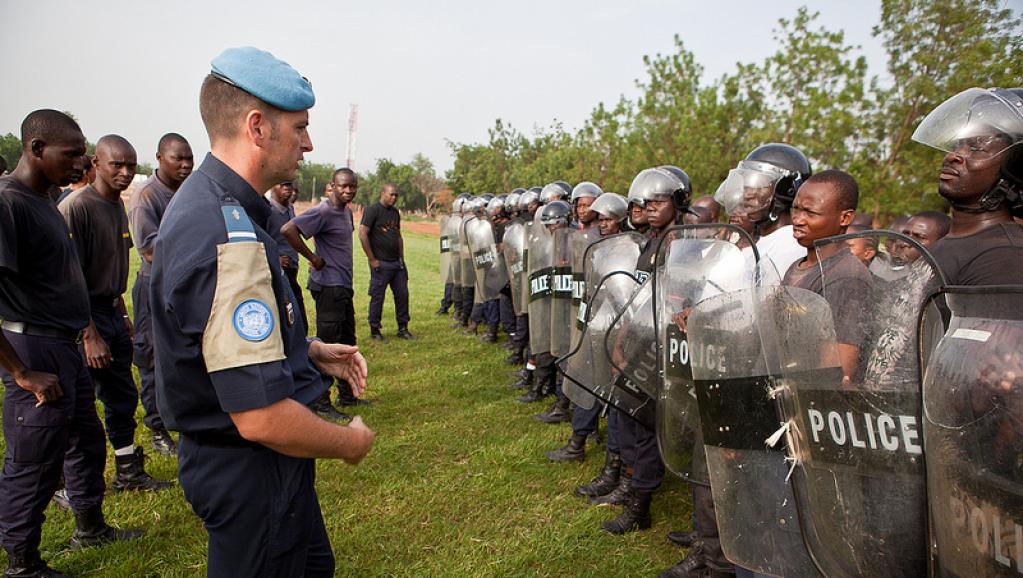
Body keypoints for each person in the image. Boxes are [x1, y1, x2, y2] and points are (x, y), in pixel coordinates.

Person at [150, 47, 375, 578]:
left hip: (258, 469)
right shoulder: (227, 234)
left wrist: (309, 351)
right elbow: (261, 416)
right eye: (299, 127)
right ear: (257, 126)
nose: (308, 143)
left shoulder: (222, 208)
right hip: (251, 470)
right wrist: (350, 442)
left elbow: (218, 340)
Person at [1, 109, 141, 578]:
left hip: (66, 345)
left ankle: (90, 525)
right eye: (72, 152)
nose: (81, 161)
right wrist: (21, 372)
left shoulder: (48, 199)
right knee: (34, 459)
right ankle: (22, 563)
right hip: (33, 348)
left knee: (86, 438)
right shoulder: (9, 203)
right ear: (36, 149)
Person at [58, 134, 172, 493]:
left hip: (110, 311)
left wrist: (122, 318)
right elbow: (68, 278)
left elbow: (112, 272)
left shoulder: (115, 205)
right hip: (82, 317)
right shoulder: (77, 206)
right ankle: (61, 481)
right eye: (116, 165)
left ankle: (127, 471)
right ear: (96, 163)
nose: (124, 172)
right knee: (78, 402)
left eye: (130, 166)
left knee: (122, 395)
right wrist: (89, 333)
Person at [911, 87, 1023, 285]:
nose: (952, 156)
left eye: (976, 149)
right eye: (956, 145)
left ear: (1013, 168)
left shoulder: (1004, 257)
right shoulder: (949, 243)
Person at [127, 132, 194, 456]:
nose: (184, 164)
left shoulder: (188, 193)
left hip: (185, 287)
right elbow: (152, 249)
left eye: (188, 158)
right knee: (152, 357)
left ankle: (180, 418)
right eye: (177, 158)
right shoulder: (147, 196)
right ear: (159, 158)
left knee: (183, 353)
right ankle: (157, 428)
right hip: (155, 288)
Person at [282, 168, 365, 416]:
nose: (348, 191)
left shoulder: (346, 212)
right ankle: (320, 401)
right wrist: (313, 257)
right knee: (328, 346)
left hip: (343, 286)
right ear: (332, 186)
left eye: (352, 186)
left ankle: (347, 395)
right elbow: (288, 230)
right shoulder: (323, 211)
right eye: (343, 186)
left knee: (347, 342)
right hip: (328, 286)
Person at [715, 143, 812, 281]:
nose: (747, 194)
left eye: (759, 186)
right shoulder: (759, 240)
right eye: (746, 186)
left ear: (785, 190)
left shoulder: (789, 244)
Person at [359, 183, 414, 341]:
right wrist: (372, 259)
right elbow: (363, 234)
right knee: (378, 297)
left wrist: (402, 260)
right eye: (391, 194)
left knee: (402, 295)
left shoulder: (395, 213)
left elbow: (398, 236)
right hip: (380, 264)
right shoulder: (372, 210)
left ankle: (403, 328)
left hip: (397, 264)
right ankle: (375, 330)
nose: (394, 197)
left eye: (396, 195)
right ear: (382, 193)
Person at [266, 180, 308, 332]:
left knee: (299, 314)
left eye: (289, 185)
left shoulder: (290, 208)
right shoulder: (266, 210)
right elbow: (258, 239)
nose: (287, 188)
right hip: (277, 271)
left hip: (292, 268)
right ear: (272, 186)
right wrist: (275, 258)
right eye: (282, 184)